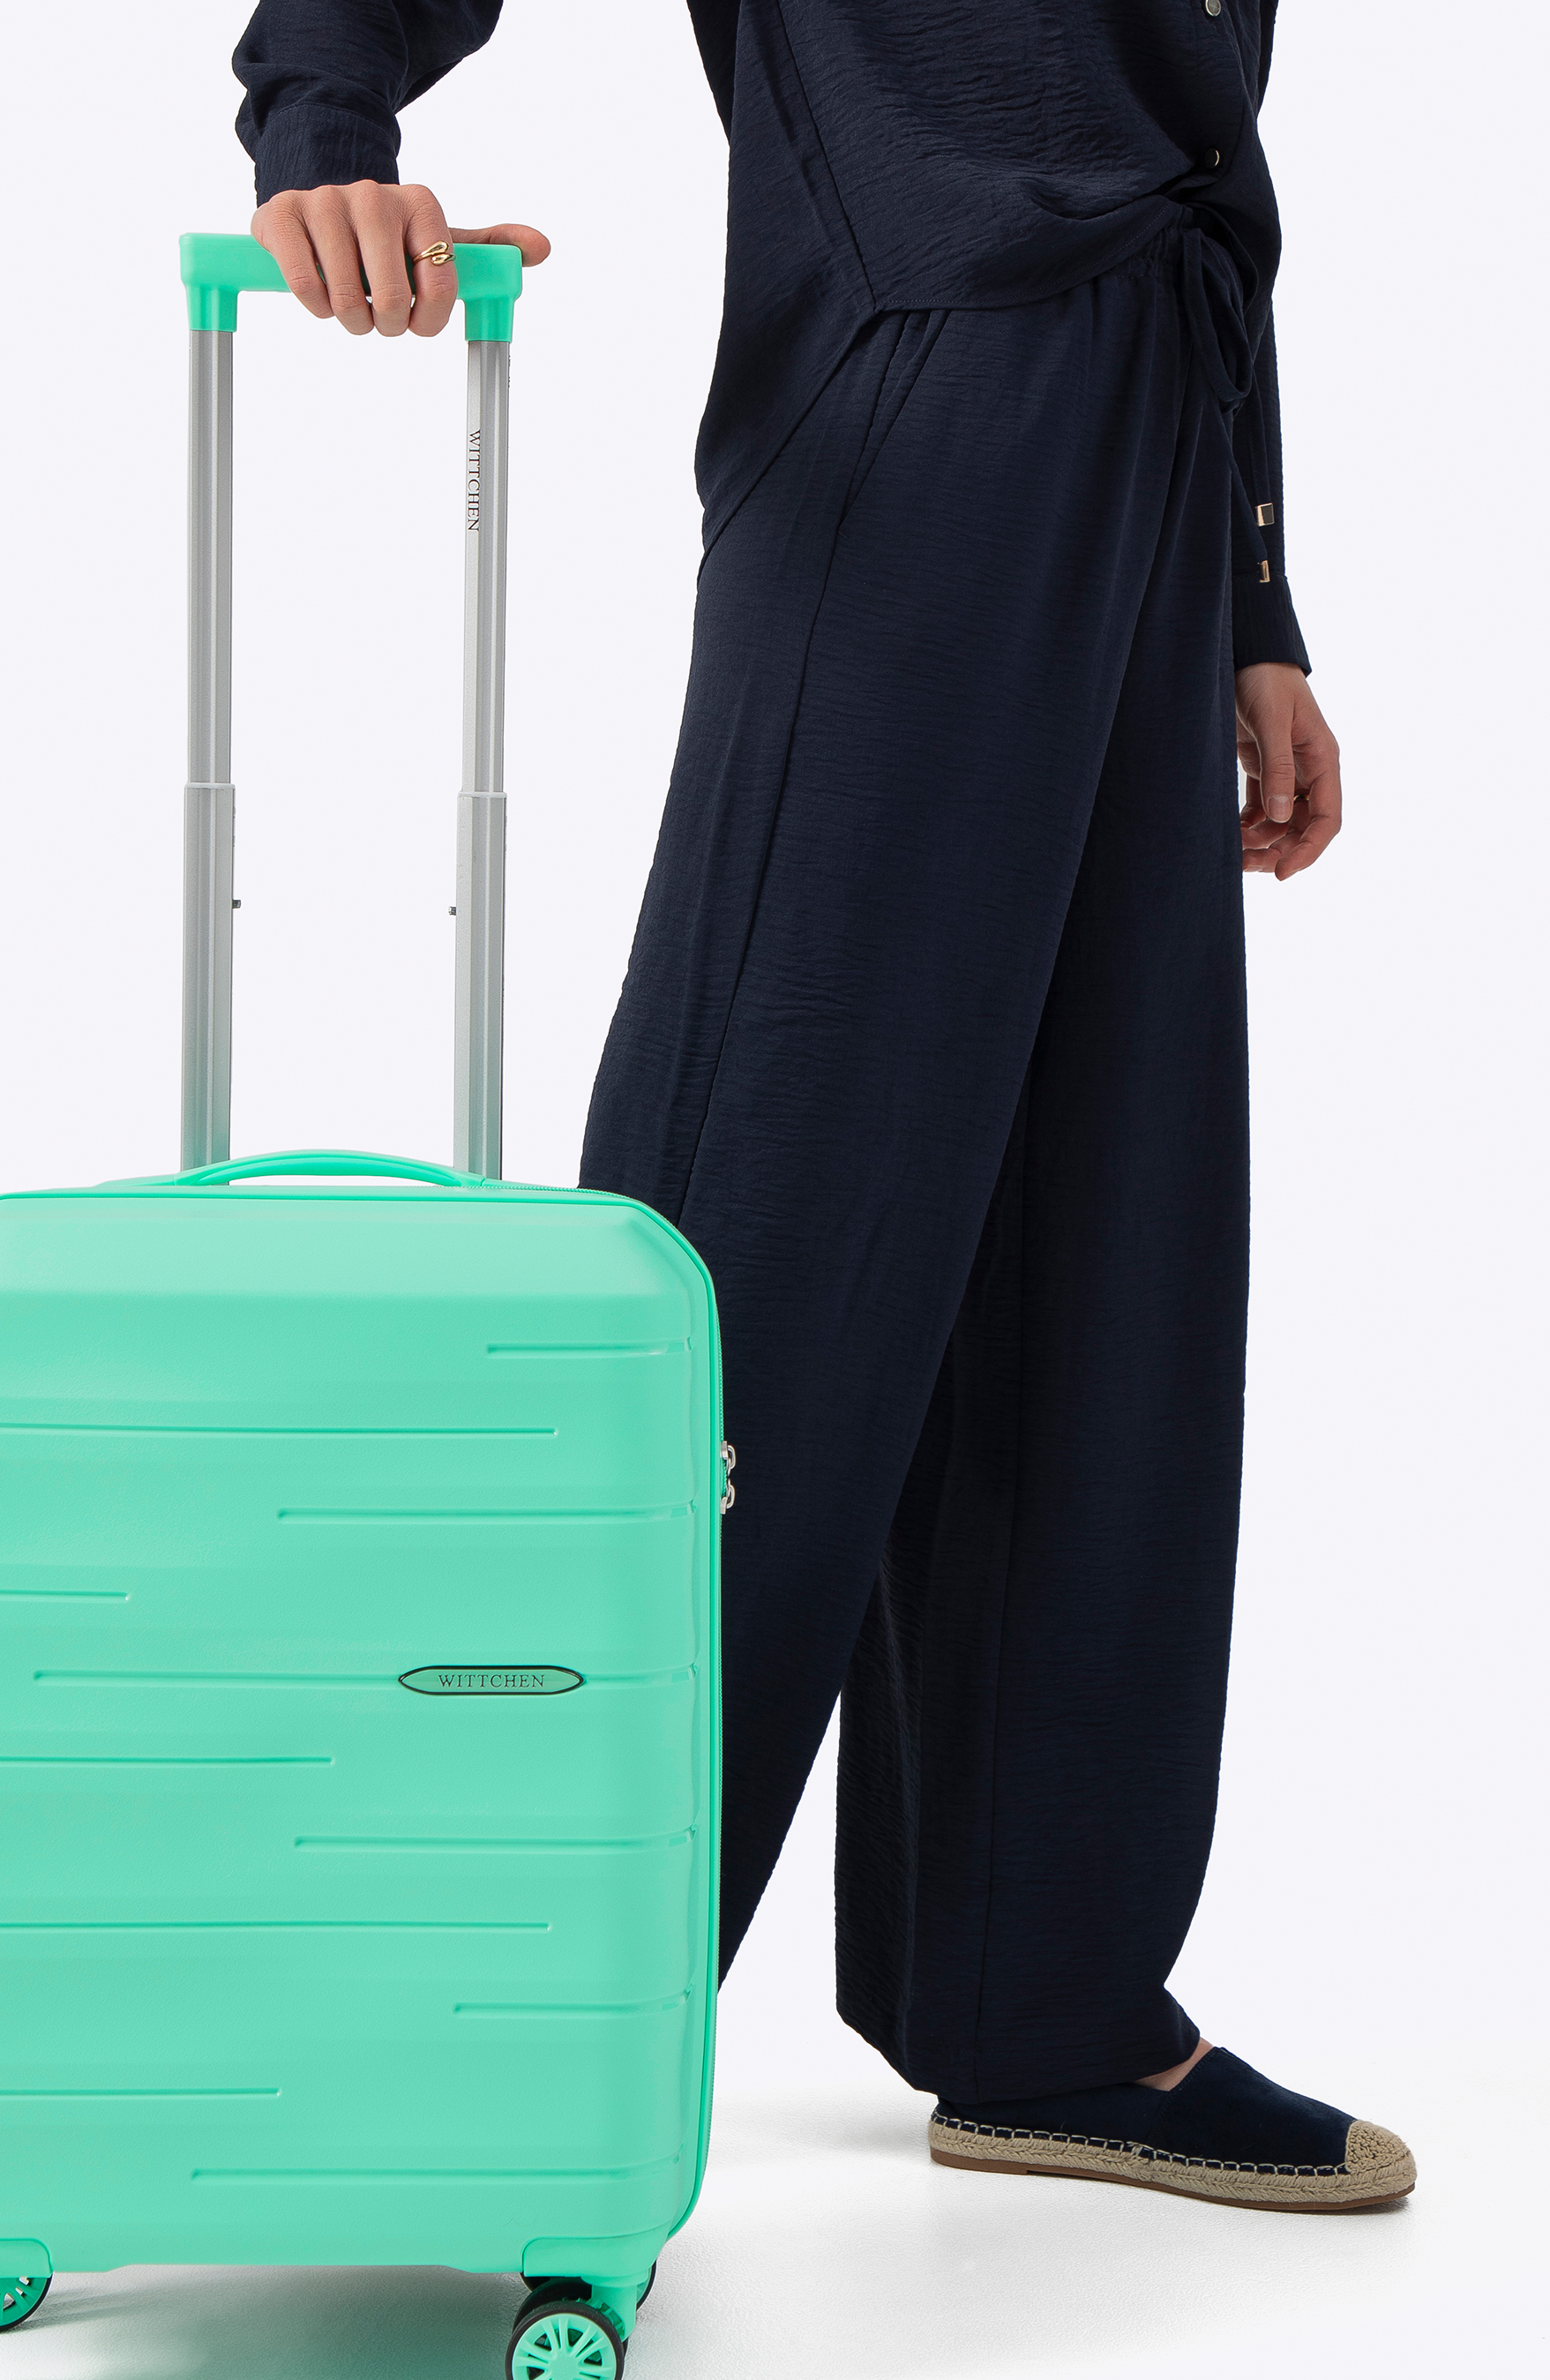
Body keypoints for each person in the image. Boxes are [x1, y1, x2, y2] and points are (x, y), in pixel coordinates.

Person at [231, 0, 1414, 2212]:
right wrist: (322, 123)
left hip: (1154, 425)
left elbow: (1199, 138)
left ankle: (1038, 2000)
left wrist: (1251, 589)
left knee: (1103, 1236)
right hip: (915, 389)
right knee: (758, 1245)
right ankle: (460, 2012)